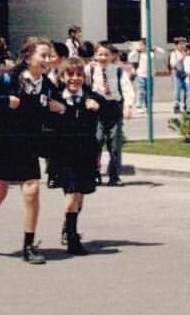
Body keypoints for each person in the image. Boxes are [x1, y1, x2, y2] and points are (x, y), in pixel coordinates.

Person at [0, 37, 65, 264]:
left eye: (49, 56)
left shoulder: (47, 85)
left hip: (28, 145)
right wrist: (5, 101)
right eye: (42, 55)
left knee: (32, 191)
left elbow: (62, 108)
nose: (47, 60)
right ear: (27, 57)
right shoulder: (8, 79)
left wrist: (60, 108)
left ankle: (29, 245)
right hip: (3, 144)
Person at [50, 57, 105, 255]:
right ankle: (72, 238)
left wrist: (98, 107)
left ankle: (68, 224)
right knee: (72, 193)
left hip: (86, 153)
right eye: (70, 75)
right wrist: (63, 110)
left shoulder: (91, 96)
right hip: (64, 154)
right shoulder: (54, 97)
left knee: (79, 197)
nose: (75, 79)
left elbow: (111, 112)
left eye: (79, 75)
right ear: (62, 77)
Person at [87, 43, 134, 186]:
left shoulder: (119, 71)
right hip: (97, 109)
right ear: (95, 55)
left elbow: (127, 89)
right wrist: (88, 101)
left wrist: (128, 106)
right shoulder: (90, 70)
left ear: (112, 56)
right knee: (96, 141)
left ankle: (114, 175)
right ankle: (94, 173)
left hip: (114, 108)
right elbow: (85, 88)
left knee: (115, 143)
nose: (103, 57)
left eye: (106, 55)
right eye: (100, 54)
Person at [168, 38, 188, 114]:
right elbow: (172, 64)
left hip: (185, 73)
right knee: (177, 90)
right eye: (181, 44)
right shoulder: (174, 53)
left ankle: (187, 105)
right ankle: (176, 106)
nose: (183, 46)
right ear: (176, 45)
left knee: (187, 90)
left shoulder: (186, 53)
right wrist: (181, 58)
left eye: (184, 44)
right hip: (177, 74)